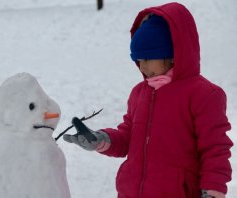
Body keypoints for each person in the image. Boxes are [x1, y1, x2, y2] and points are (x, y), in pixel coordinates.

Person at [63, 2, 233, 198]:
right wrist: (102, 140)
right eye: (138, 59)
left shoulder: (204, 95)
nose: (141, 67)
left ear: (173, 54)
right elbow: (128, 137)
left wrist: (213, 192)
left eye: (148, 58)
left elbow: (215, 149)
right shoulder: (139, 93)